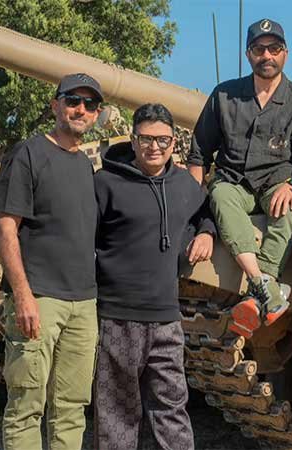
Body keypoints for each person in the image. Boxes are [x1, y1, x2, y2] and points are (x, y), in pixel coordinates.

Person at [187, 18, 292, 338]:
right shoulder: (225, 96)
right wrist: (193, 212)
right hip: (233, 182)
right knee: (221, 194)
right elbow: (199, 154)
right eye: (259, 49)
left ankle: (256, 292)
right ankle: (264, 284)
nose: (267, 55)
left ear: (285, 53)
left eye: (274, 48)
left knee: (289, 207)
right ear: (248, 54)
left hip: (278, 182)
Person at [94, 104, 215, 450]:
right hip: (118, 315)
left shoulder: (184, 184)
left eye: (162, 139)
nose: (154, 147)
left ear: (173, 142)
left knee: (172, 410)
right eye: (146, 139)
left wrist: (207, 232)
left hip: (166, 318)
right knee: (117, 414)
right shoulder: (105, 183)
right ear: (133, 140)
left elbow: (206, 211)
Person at [0, 73, 102, 450]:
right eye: (73, 100)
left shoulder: (85, 165)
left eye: (89, 104)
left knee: (72, 408)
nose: (81, 109)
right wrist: (23, 295)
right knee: (26, 406)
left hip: (82, 303)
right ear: (56, 105)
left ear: (97, 114)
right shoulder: (28, 154)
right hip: (39, 297)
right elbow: (5, 226)